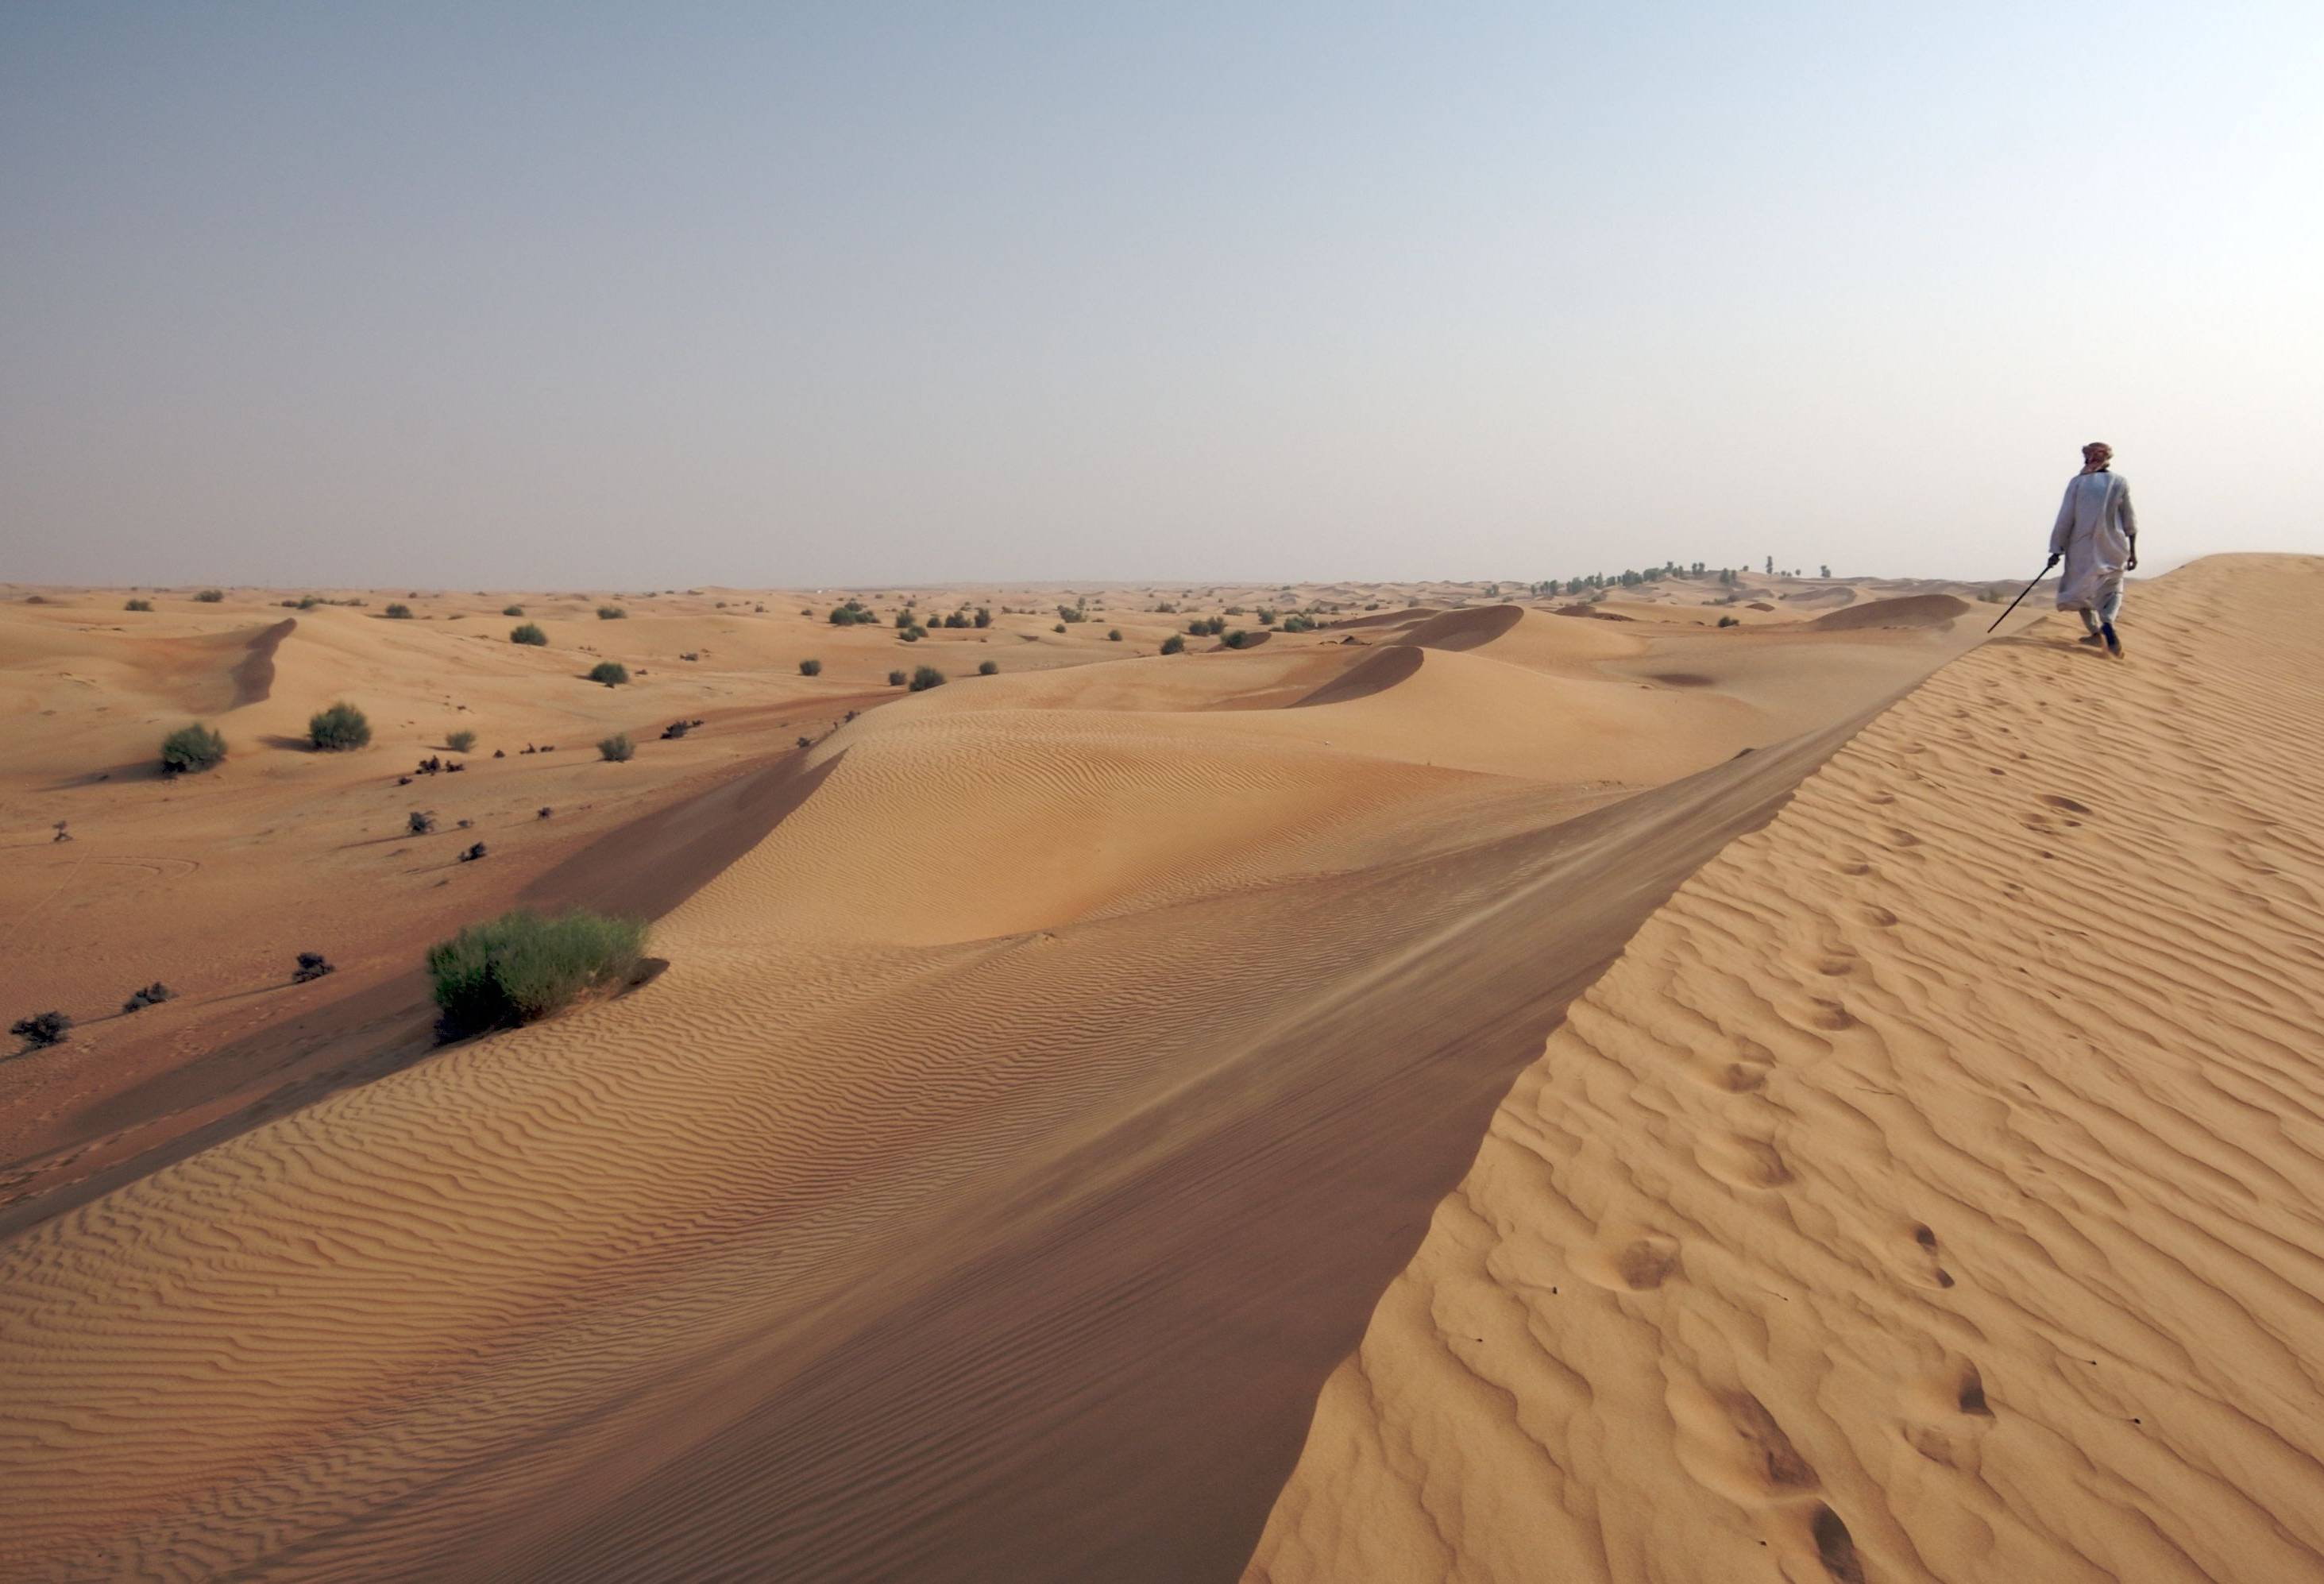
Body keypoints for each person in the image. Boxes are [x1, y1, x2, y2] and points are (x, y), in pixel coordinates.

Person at [2048, 441, 2138, 656]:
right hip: (2115, 545)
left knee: (2080, 588)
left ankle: (2096, 633)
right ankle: (2108, 621)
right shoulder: (2119, 482)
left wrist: (2056, 550)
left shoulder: (2078, 483)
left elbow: (2065, 519)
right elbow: (2130, 519)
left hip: (2082, 547)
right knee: (2113, 588)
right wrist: (2133, 551)